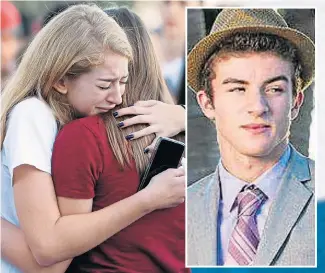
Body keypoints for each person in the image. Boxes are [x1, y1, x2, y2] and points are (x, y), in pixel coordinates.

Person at [1, 4, 185, 273]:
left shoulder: (76, 122)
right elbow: (50, 257)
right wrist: (147, 199)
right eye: (104, 85)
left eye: (123, 81)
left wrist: (182, 116)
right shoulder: (34, 116)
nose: (118, 98)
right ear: (61, 80)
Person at [187, 8, 315, 266]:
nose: (257, 106)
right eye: (237, 88)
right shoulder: (182, 208)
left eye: (274, 88)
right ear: (207, 103)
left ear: (296, 102)